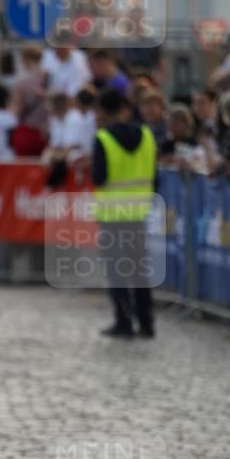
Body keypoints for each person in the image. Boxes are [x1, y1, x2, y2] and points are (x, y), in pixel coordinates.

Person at [92, 90, 157, 339]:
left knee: (117, 270)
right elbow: (155, 175)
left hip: (112, 215)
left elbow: (99, 177)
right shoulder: (148, 136)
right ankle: (147, 324)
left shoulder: (104, 139)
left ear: (104, 112)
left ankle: (124, 323)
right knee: (140, 271)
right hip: (139, 213)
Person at [11, 46, 50, 156]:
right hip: (48, 132)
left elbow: (19, 109)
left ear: (25, 60)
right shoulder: (50, 77)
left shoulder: (22, 83)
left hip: (27, 131)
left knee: (24, 170)